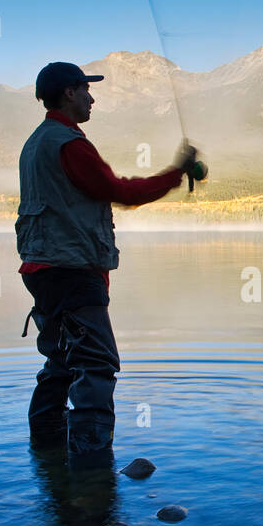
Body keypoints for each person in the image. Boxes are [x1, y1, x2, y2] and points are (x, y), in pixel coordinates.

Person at [17, 61, 197, 466]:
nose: (91, 97)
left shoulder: (35, 143)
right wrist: (175, 173)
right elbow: (117, 190)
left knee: (61, 359)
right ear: (68, 93)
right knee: (96, 364)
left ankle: (45, 450)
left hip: (41, 271)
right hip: (72, 272)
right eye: (85, 90)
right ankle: (92, 467)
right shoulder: (70, 144)